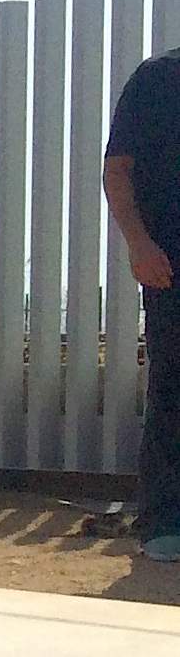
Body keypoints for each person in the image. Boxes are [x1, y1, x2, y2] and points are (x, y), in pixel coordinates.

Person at [101, 49, 180, 561]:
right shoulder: (157, 79)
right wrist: (137, 244)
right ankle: (163, 522)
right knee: (173, 388)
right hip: (171, 265)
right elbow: (117, 172)